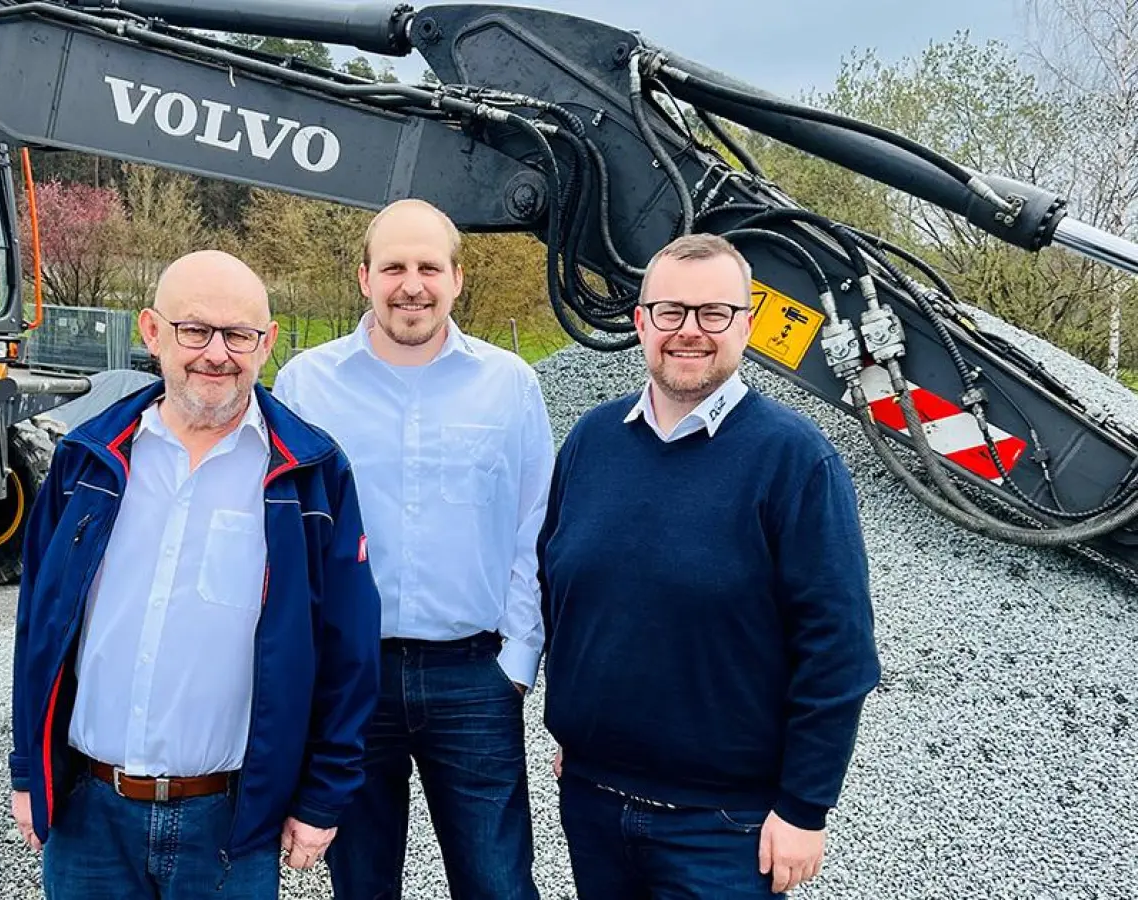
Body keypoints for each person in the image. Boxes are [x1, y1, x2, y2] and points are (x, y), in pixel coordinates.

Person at [8, 249, 383, 899]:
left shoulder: (311, 475)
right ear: (152, 332)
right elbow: (36, 625)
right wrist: (27, 770)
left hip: (230, 824)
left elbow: (348, 649)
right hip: (90, 815)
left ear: (265, 344)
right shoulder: (86, 462)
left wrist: (324, 795)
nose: (217, 353)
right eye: (195, 330)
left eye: (238, 335)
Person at [538, 233, 882, 898]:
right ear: (640, 322)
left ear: (746, 325)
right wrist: (580, 724)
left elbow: (837, 650)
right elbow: (563, 588)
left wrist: (804, 809)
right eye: (670, 312)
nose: (689, 331)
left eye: (713, 314)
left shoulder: (795, 461)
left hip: (726, 828)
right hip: (592, 803)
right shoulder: (592, 441)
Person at [274, 198, 553, 900]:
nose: (412, 284)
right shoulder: (308, 384)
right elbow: (289, 536)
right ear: (364, 276)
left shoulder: (510, 385)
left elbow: (536, 528)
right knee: (362, 885)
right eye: (393, 266)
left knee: (497, 886)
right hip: (351, 680)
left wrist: (515, 664)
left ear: (458, 279)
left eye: (430, 266)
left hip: (474, 677)